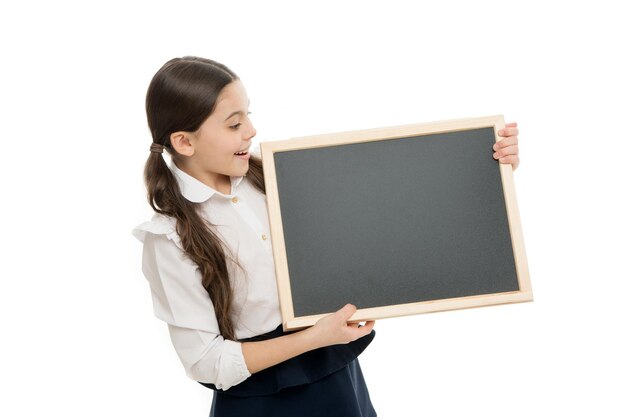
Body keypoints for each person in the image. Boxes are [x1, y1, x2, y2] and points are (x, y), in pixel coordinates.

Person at [132, 56, 521, 417]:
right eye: (234, 124)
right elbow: (206, 362)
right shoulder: (169, 238)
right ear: (185, 142)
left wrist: (486, 165)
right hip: (261, 401)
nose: (251, 130)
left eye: (248, 115)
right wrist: (314, 338)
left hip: (336, 376)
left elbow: (389, 208)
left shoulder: (274, 176)